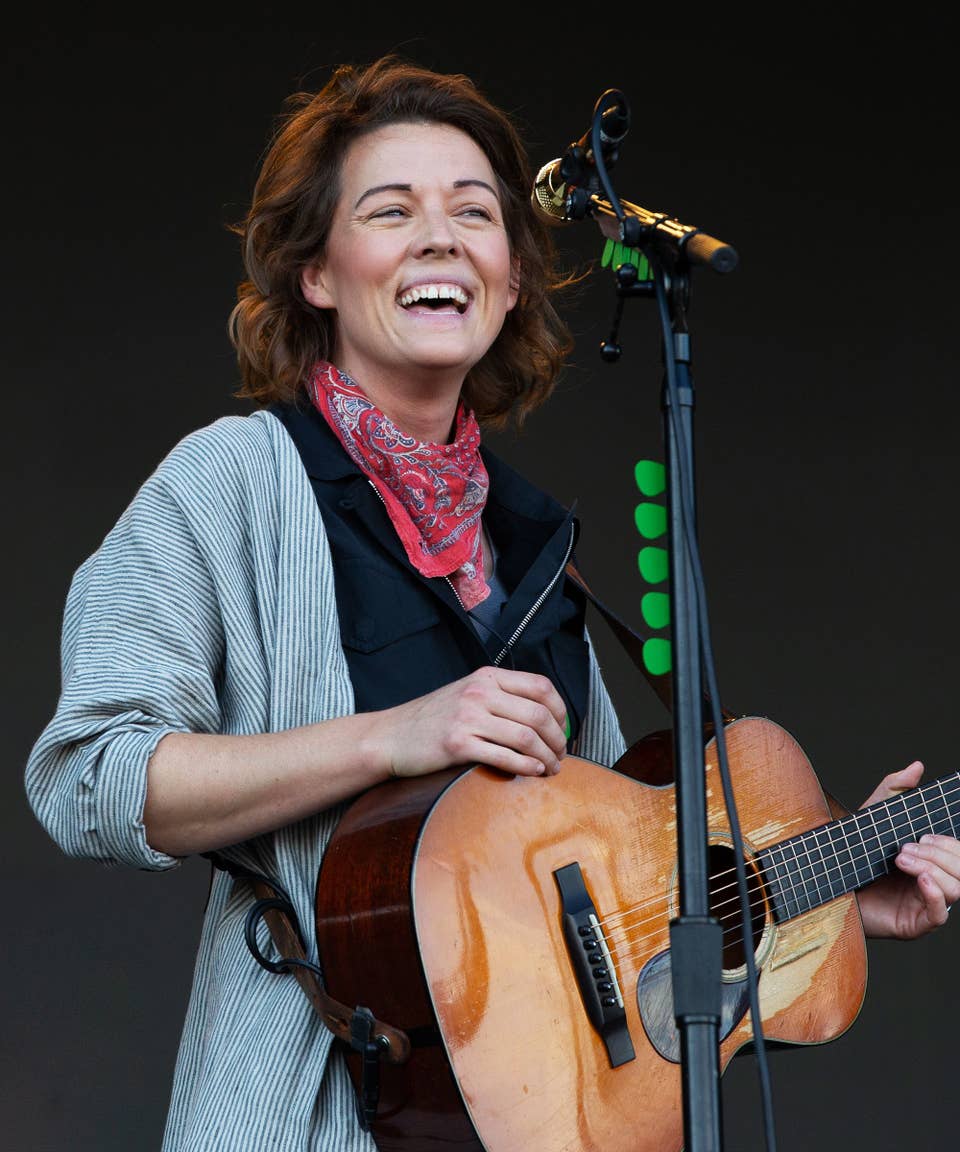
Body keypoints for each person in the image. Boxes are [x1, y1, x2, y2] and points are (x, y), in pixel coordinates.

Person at [23, 54, 960, 1152]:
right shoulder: (230, 482)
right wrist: (391, 737)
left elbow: (622, 914)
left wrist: (825, 899)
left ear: (511, 279)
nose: (441, 238)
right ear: (316, 274)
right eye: (391, 211)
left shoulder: (531, 546)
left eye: (474, 213)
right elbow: (88, 777)